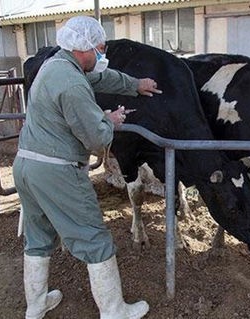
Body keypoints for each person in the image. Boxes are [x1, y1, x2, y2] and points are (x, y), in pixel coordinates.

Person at [12, 16, 161, 319]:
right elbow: (96, 138)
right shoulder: (72, 84)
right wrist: (111, 120)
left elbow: (103, 79)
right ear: (84, 48)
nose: (104, 54)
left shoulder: (57, 65)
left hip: (26, 165)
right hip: (57, 171)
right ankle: (114, 310)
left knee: (39, 237)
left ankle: (37, 305)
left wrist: (136, 85)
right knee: (94, 239)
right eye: (101, 48)